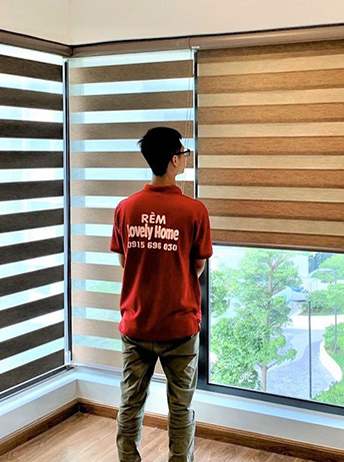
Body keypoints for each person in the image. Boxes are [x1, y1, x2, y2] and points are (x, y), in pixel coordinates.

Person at [110, 126, 212, 462]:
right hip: (179, 327)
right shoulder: (194, 211)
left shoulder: (125, 209)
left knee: (130, 402)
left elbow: (125, 261)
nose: (185, 158)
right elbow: (198, 265)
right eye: (183, 153)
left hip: (136, 324)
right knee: (180, 408)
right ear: (173, 161)